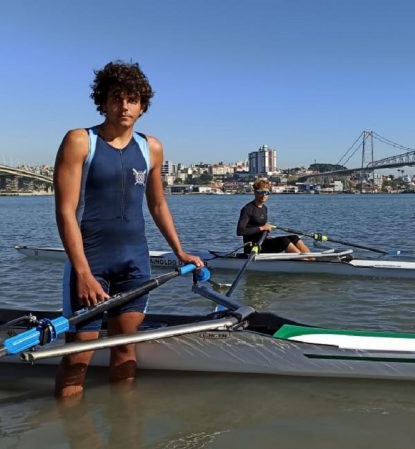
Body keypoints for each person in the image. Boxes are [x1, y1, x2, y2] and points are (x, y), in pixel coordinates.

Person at [53, 60, 204, 398]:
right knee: (78, 357)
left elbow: (158, 205)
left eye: (132, 99)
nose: (124, 106)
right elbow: (65, 211)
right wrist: (83, 273)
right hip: (91, 264)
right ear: (103, 102)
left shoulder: (151, 148)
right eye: (116, 98)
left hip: (135, 264)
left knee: (125, 351)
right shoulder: (80, 141)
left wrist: (180, 251)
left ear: (142, 106)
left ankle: (124, 422)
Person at [236, 179, 311, 254]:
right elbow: (240, 231)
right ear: (255, 192)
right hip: (253, 247)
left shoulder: (264, 208)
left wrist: (266, 233)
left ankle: (311, 259)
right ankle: (302, 260)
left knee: (294, 238)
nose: (264, 195)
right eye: (261, 192)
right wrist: (262, 228)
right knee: (284, 241)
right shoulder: (247, 209)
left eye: (266, 193)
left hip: (263, 242)